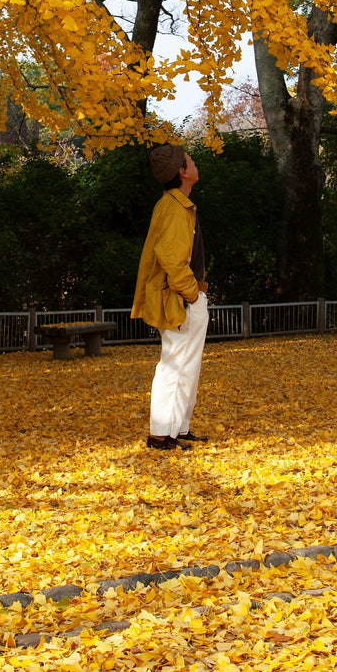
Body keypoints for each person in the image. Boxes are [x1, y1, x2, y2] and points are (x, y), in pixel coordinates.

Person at [131, 143, 210, 450]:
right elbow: (172, 259)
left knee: (186, 365)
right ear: (182, 172)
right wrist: (192, 296)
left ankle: (177, 430)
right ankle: (161, 434)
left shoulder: (173, 203)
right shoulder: (176, 208)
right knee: (175, 365)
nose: (194, 163)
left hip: (180, 298)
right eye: (190, 161)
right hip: (178, 300)